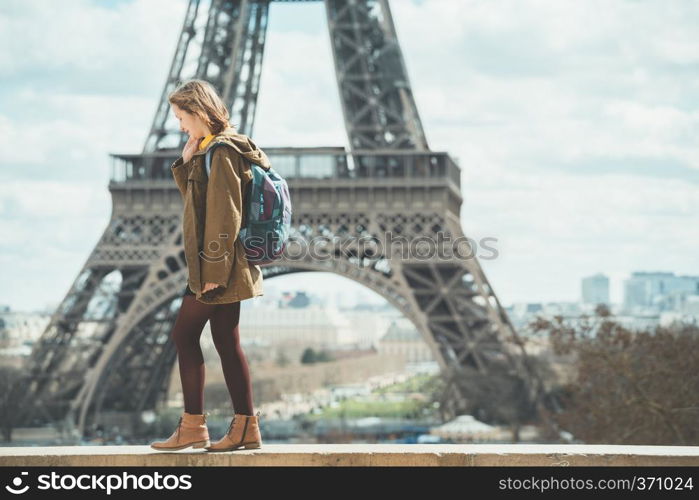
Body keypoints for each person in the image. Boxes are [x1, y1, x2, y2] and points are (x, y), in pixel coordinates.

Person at [150, 79, 270, 452]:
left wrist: (213, 275)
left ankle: (194, 426)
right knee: (224, 341)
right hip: (220, 263)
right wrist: (187, 164)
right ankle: (244, 428)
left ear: (198, 112)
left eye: (182, 117)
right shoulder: (212, 151)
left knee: (184, 337)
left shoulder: (222, 152)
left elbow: (223, 217)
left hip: (217, 266)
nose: (180, 125)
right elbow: (199, 207)